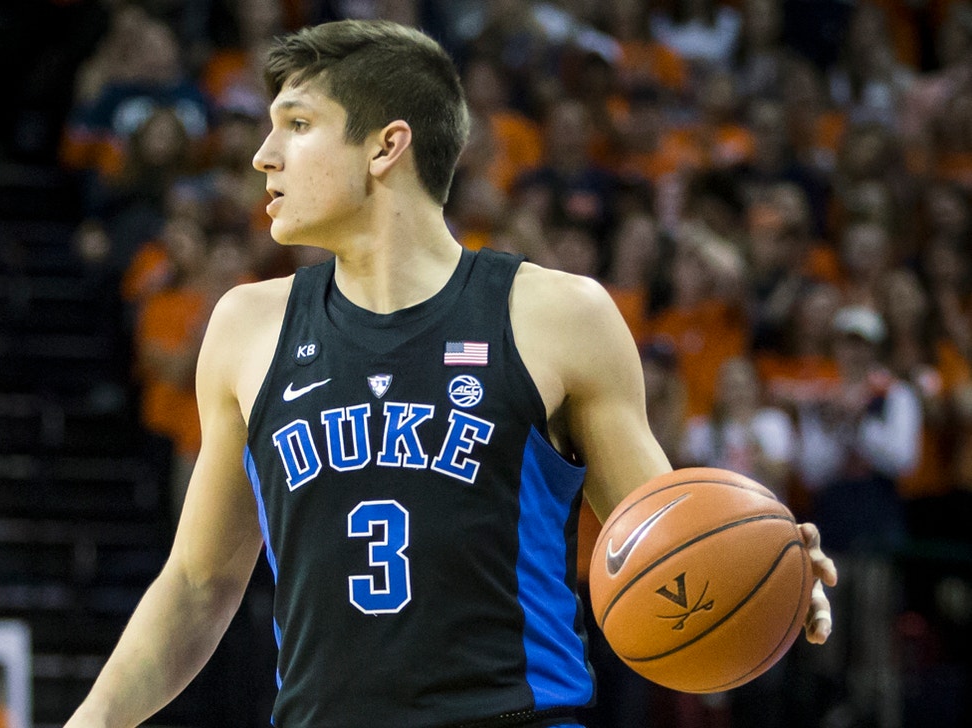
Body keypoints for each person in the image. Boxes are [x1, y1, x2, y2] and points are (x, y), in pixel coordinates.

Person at [66, 20, 836, 728]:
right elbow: (199, 587)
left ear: (385, 146)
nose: (263, 154)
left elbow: (663, 547)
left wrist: (758, 573)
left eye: (296, 125)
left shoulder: (558, 315)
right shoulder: (246, 327)